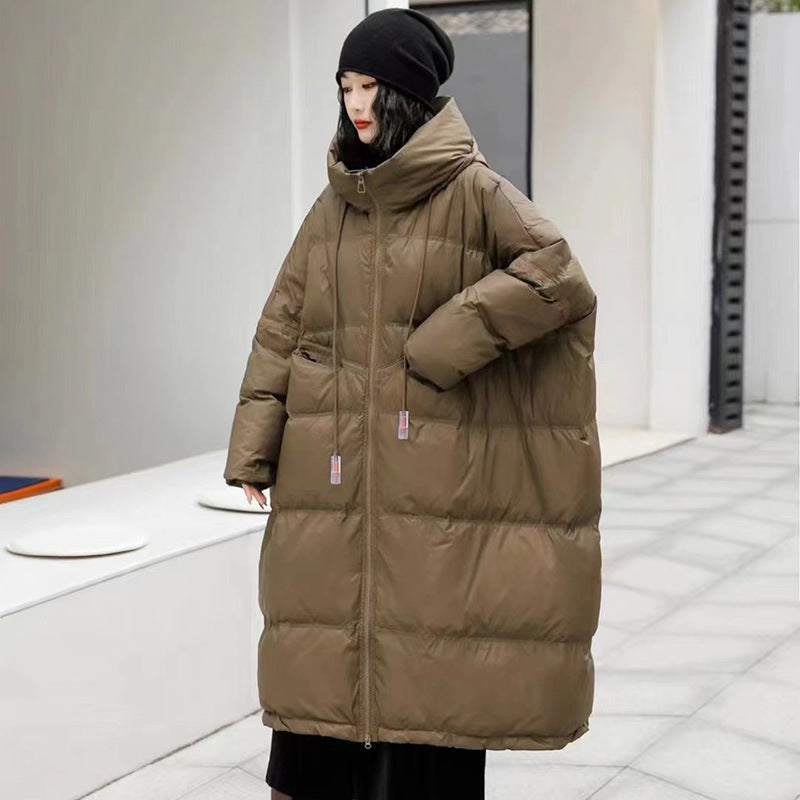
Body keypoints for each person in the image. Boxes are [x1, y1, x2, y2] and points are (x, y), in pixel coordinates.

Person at [224, 8, 602, 800]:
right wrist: (254, 448)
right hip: (332, 477)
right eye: (346, 87)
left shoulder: (474, 191)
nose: (356, 104)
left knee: (427, 683)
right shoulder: (333, 207)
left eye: (372, 87)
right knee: (323, 673)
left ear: (408, 95)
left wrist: (443, 343)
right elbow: (282, 326)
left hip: (433, 474)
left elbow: (558, 278)